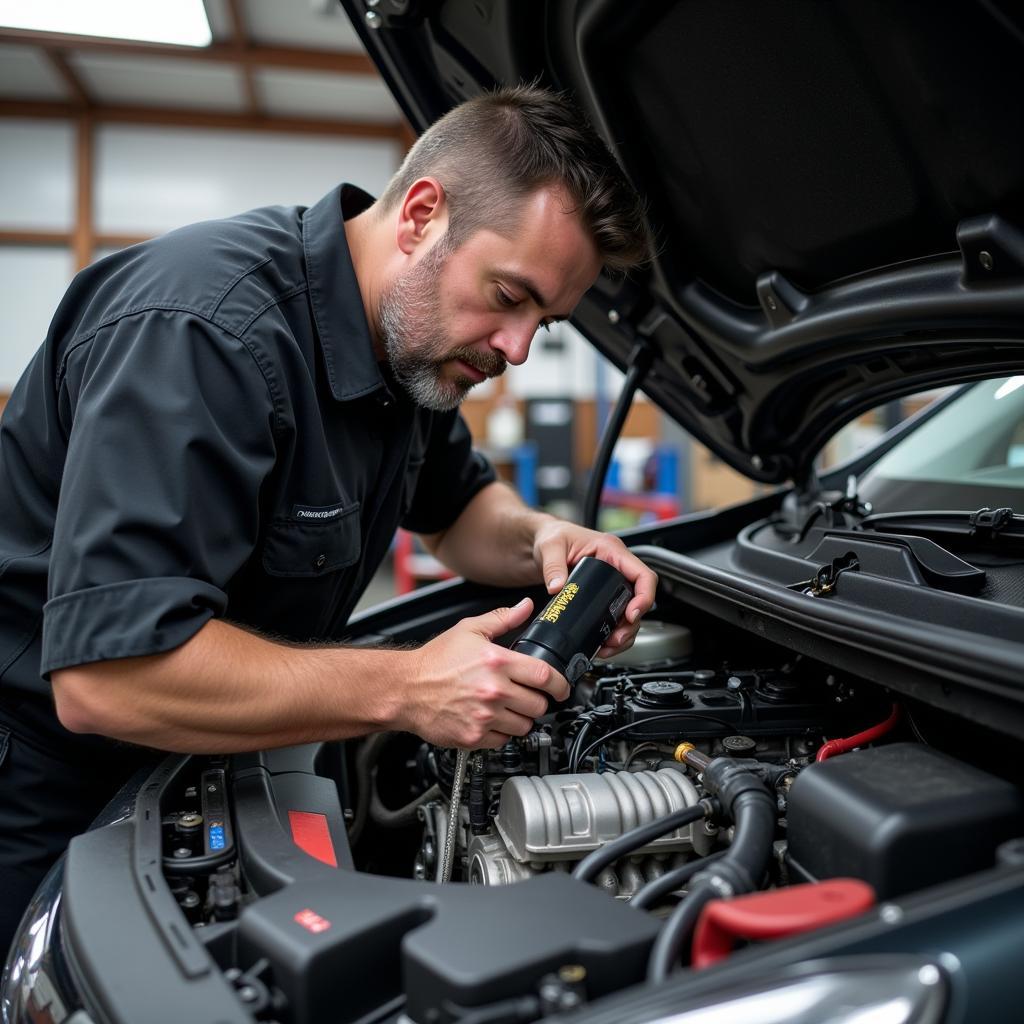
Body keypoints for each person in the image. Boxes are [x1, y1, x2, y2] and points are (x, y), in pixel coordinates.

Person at [0, 85, 656, 951]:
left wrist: (542, 537)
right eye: (509, 295)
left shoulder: (410, 345)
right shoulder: (206, 334)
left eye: (546, 320)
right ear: (422, 215)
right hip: (43, 790)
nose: (518, 348)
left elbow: (459, 514)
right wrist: (407, 688)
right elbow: (109, 677)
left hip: (213, 758)